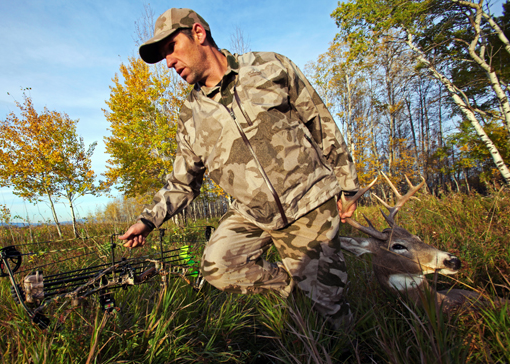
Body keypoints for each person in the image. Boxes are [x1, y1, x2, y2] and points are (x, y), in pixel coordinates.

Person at [119, 8, 359, 329]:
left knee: (333, 316)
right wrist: (148, 220)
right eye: (163, 56)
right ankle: (295, 286)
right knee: (217, 265)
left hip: (308, 204)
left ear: (199, 34)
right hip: (251, 214)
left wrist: (347, 184)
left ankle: (356, 358)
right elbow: (182, 182)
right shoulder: (190, 115)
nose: (169, 62)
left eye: (172, 48)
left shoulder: (270, 66)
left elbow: (320, 122)